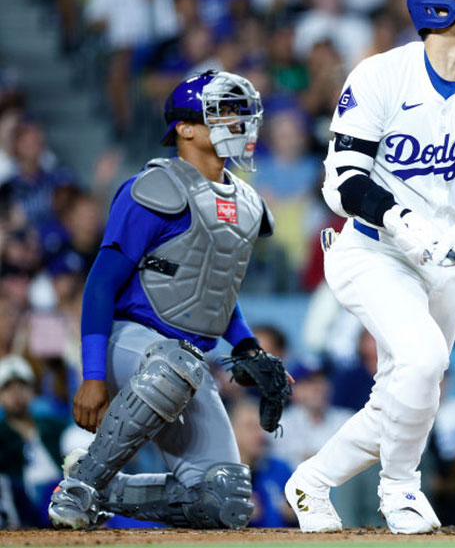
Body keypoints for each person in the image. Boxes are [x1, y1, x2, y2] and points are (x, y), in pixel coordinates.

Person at [283, 0, 455, 535]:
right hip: (372, 248)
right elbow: (343, 180)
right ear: (437, 7)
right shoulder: (380, 75)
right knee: (422, 362)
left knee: (408, 394)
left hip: (445, 257)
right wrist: (398, 217)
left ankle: (312, 481)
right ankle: (400, 489)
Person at [48, 70, 291, 530]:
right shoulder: (154, 188)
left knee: (224, 501)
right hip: (131, 342)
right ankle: (81, 484)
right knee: (176, 367)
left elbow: (218, 290)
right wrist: (93, 375)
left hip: (184, 362)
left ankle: (107, 493)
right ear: (185, 128)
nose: (240, 122)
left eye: (244, 113)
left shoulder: (246, 201)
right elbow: (100, 284)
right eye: (225, 112)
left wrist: (247, 347)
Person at [0, 355, 67, 527]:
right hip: (18, 497)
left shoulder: (52, 426)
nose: (16, 393)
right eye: (8, 388)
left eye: (22, 385)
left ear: (32, 390)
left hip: (56, 491)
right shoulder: (2, 433)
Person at [229, 400, 293, 528]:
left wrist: (298, 511)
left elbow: (305, 506)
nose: (259, 435)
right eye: (250, 427)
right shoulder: (219, 476)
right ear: (231, 432)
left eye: (261, 427)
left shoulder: (280, 468)